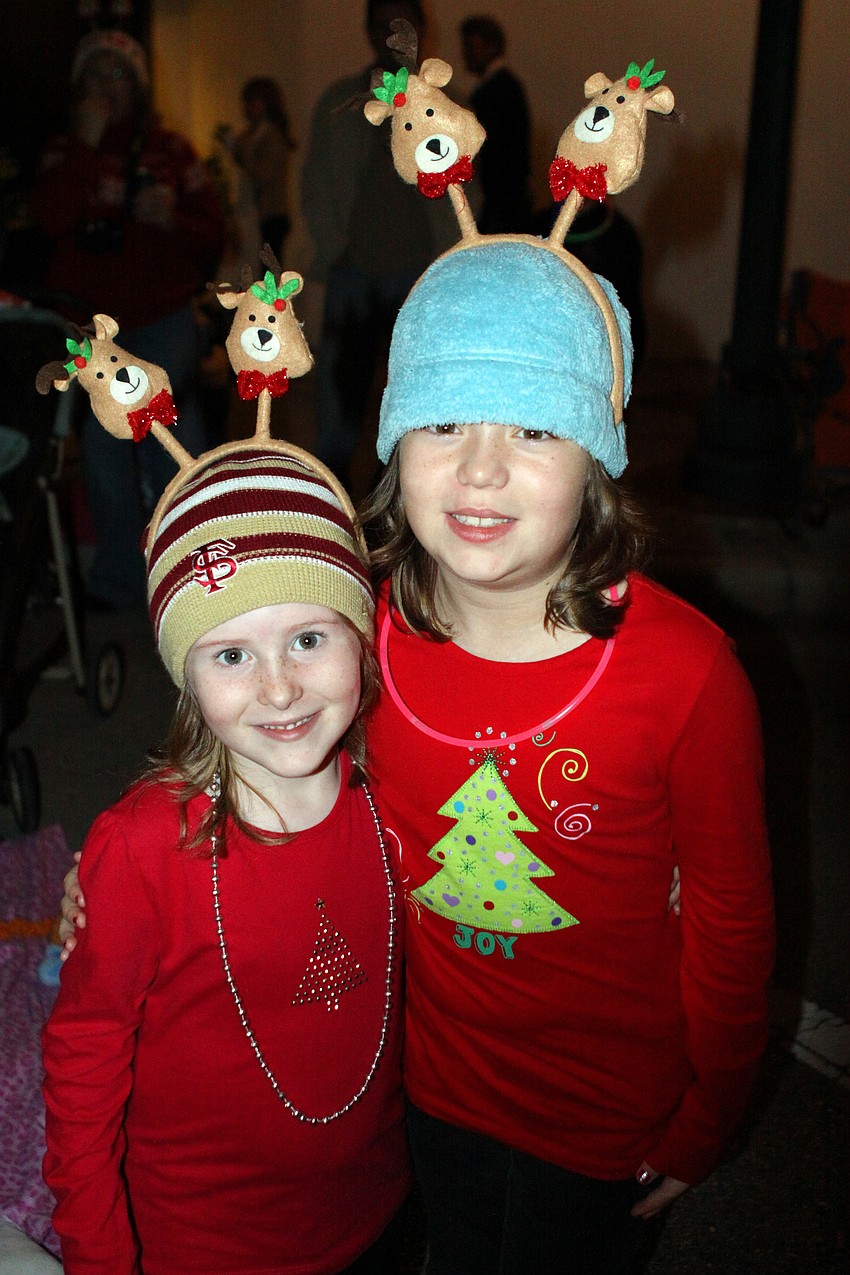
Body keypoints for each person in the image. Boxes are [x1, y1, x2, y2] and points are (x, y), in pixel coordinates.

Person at [59, 241, 775, 1272]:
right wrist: (119, 866)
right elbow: (261, 721)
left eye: (533, 425)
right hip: (418, 1101)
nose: (481, 468)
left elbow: (729, 919)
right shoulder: (361, 633)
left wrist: (709, 1115)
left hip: (599, 1126)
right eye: (443, 422)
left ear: (599, 447)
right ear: (396, 439)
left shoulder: (687, 676)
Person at [42, 437, 409, 1274]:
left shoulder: (395, 797)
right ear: (186, 674)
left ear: (362, 635)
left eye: (310, 638)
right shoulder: (144, 848)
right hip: (201, 1245)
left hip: (374, 1213)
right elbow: (84, 1055)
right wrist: (100, 1253)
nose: (279, 688)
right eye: (232, 654)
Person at [29, 29, 225, 609]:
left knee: (172, 444)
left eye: (119, 75)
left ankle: (189, 579)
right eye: (96, 74)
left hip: (161, 320)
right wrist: (86, 148)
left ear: (139, 88)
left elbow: (212, 240)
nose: (106, 87)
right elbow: (48, 221)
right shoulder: (67, 150)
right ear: (78, 85)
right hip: (90, 333)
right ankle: (117, 583)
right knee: (102, 446)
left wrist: (172, 221)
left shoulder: (172, 151)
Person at [300, 0, 456, 493]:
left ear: (421, 30)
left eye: (402, 22)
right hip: (355, 272)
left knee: (416, 401)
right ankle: (332, 504)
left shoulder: (445, 103)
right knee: (340, 403)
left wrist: (449, 258)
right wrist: (334, 245)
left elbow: (469, 185)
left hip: (421, 277)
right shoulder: (341, 100)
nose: (390, 33)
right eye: (380, 22)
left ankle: (404, 502)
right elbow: (316, 182)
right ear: (367, 30)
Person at [459, 15, 533, 233]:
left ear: (491, 46)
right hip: (506, 202)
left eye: (471, 47)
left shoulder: (496, 92)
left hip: (499, 205)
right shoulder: (506, 87)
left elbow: (498, 156)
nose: (466, 54)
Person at [228, 77, 295, 264]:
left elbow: (262, 176)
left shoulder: (272, 136)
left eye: (253, 101)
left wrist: (242, 152)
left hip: (271, 215)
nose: (248, 107)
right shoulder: (251, 135)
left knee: (269, 275)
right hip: (255, 214)